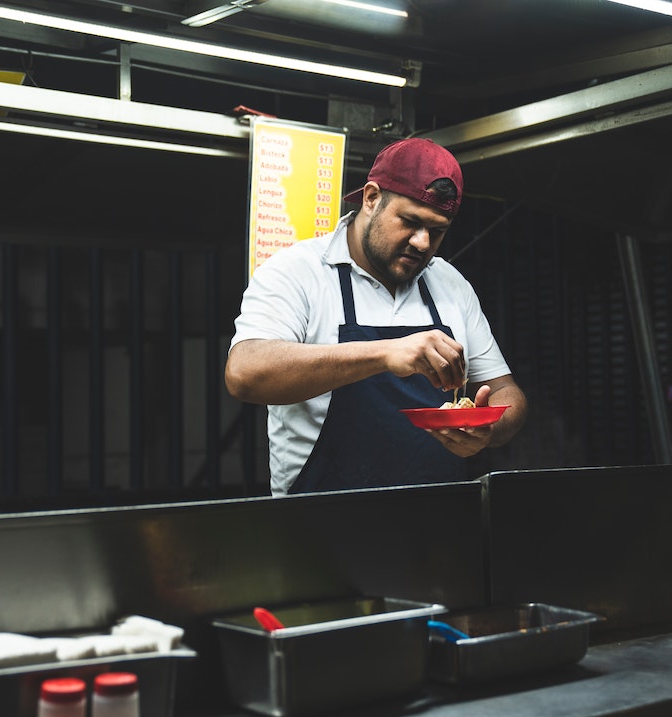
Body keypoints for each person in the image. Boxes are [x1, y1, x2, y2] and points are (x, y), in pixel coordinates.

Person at [225, 137, 527, 495]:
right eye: (410, 221)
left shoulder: (449, 283)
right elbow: (245, 373)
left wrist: (488, 430)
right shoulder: (297, 272)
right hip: (318, 525)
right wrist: (386, 354)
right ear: (371, 198)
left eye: (438, 230)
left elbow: (508, 392)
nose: (422, 243)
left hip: (437, 525)